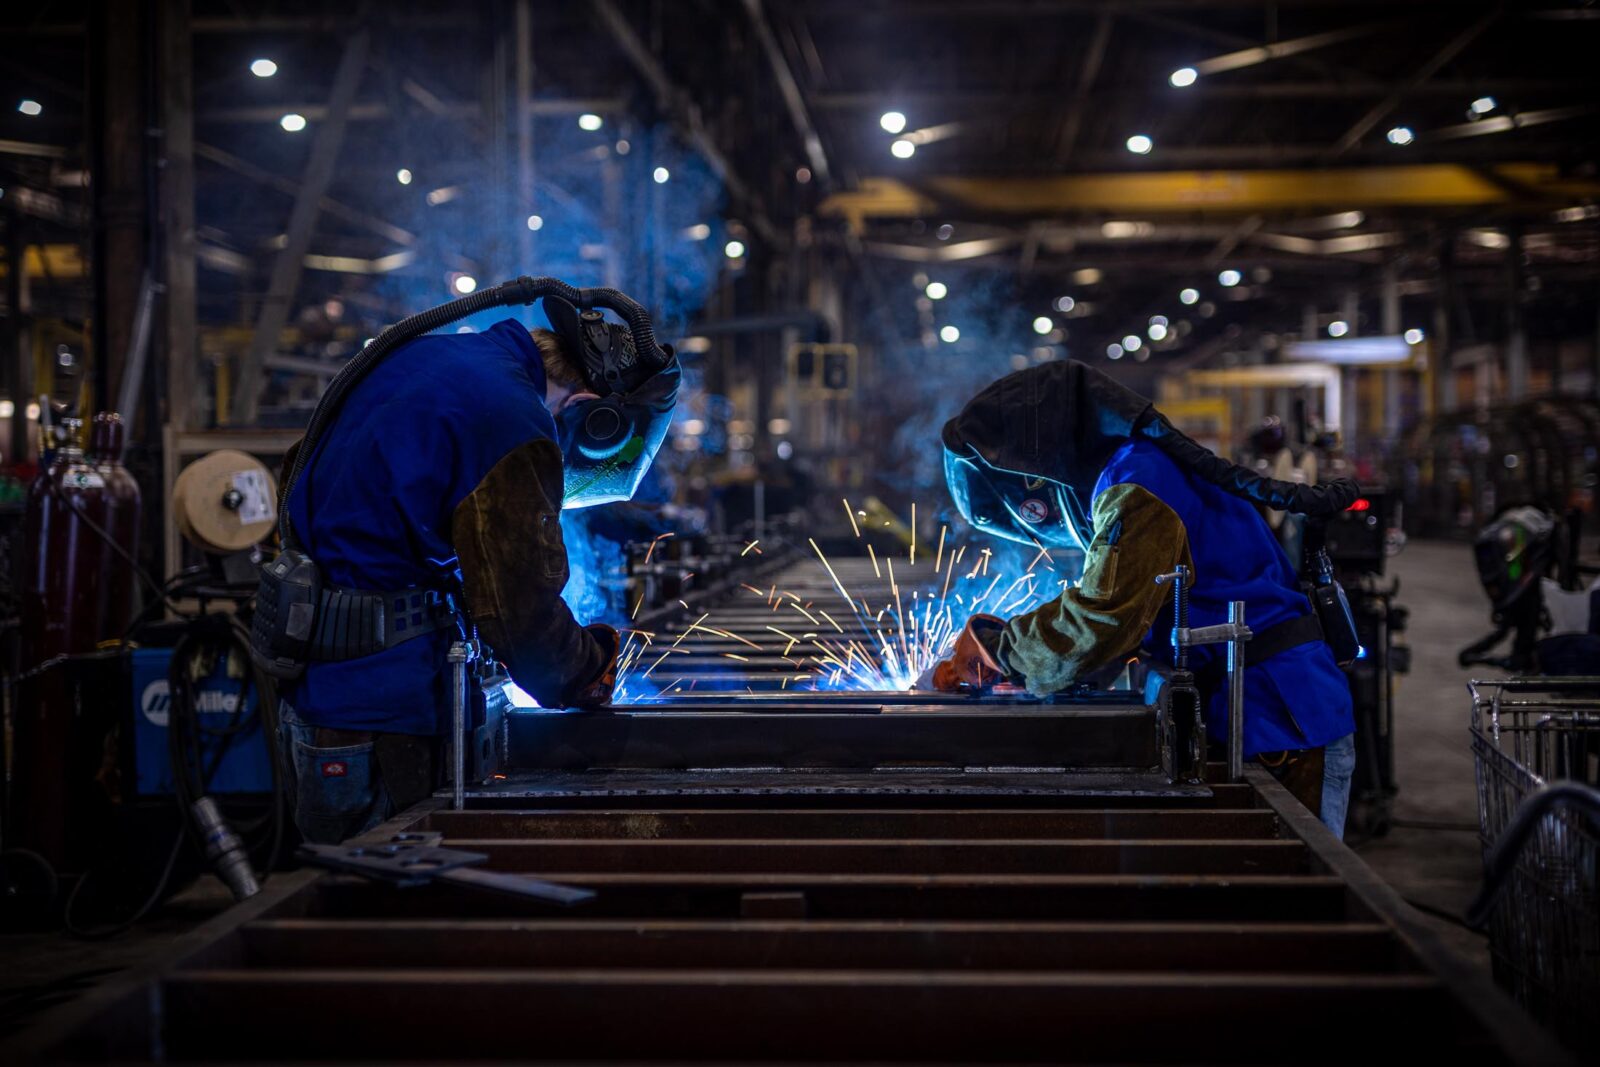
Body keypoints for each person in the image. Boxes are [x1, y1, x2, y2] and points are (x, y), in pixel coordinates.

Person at [273, 296, 676, 843]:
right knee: (389, 910)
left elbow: (300, 471)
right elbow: (522, 613)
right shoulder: (509, 415)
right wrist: (588, 668)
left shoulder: (431, 360)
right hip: (386, 715)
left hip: (319, 699)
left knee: (344, 911)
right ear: (589, 409)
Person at [932, 361, 1358, 837]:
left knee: (1287, 905)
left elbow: (1105, 614)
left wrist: (1002, 650)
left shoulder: (1137, 484)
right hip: (1247, 713)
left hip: (1280, 722)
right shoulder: (1132, 472)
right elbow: (1125, 614)